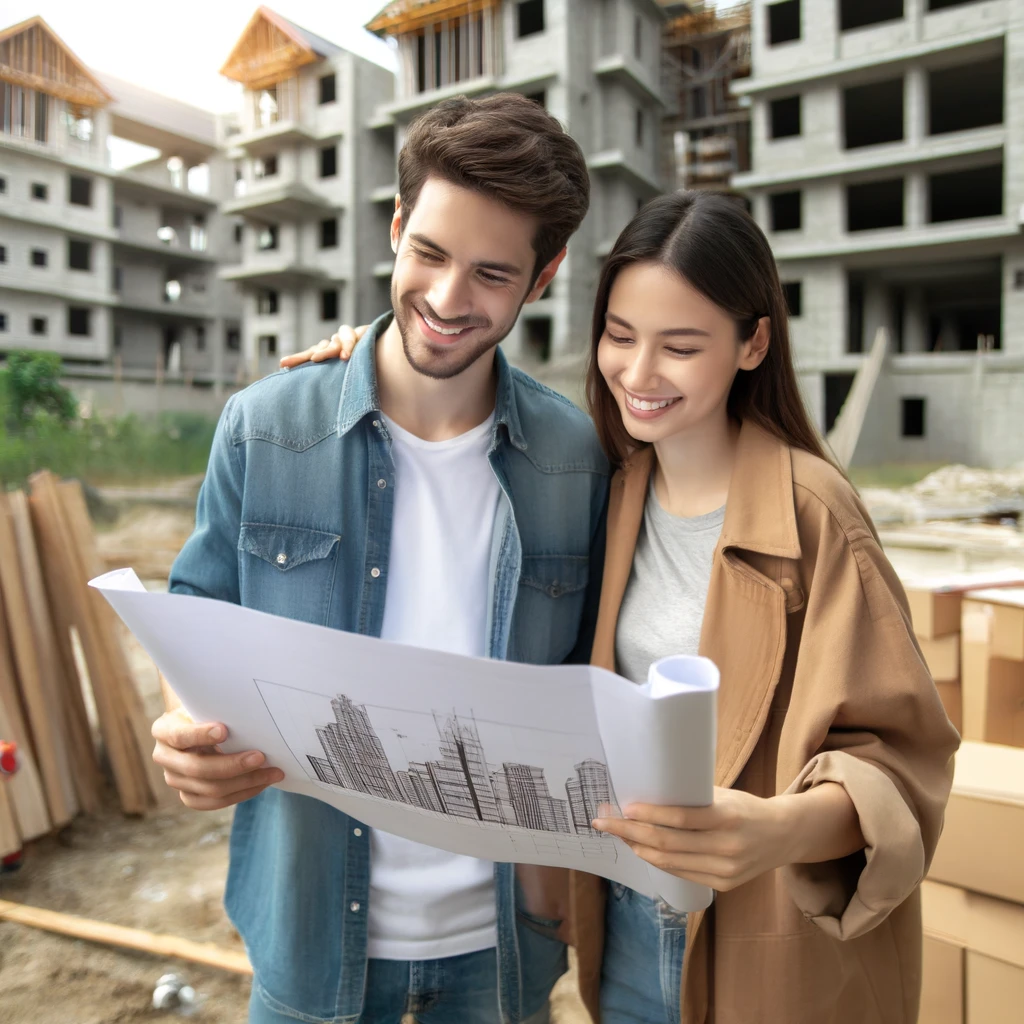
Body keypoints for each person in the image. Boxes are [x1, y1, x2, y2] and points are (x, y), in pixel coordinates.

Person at [290, 191, 959, 1024]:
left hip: (768, 935)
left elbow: (904, 761)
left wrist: (779, 830)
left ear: (754, 343)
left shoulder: (814, 517)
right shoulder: (610, 483)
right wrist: (365, 350)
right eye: (619, 336)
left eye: (681, 347)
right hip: (628, 938)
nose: (640, 375)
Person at [151, 93, 609, 1024]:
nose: (446, 300)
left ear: (545, 275)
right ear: (396, 227)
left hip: (501, 952)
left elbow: (592, 683)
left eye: (490, 273)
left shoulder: (575, 457)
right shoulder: (267, 427)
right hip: (308, 935)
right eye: (429, 254)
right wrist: (184, 738)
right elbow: (190, 621)